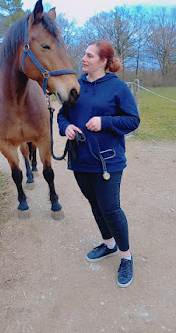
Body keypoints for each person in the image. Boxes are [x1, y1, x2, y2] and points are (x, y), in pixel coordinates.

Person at [57, 39, 140, 288]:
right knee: (95, 204)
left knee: (111, 209)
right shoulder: (77, 85)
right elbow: (63, 114)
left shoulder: (117, 88)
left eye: (89, 56)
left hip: (108, 161)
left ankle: (126, 257)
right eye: (84, 54)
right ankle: (109, 245)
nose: (83, 58)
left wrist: (105, 122)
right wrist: (66, 127)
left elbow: (132, 121)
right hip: (80, 159)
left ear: (103, 61)